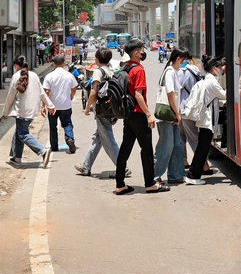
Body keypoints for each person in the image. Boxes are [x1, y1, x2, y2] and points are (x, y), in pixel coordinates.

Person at [114, 38, 170, 195]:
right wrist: (148, 114)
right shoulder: (138, 69)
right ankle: (150, 183)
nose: (144, 52)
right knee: (146, 149)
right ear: (136, 53)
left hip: (128, 114)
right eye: (142, 50)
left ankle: (120, 184)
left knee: (125, 148)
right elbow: (138, 95)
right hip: (138, 114)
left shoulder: (126, 68)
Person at [77, 47, 131, 178]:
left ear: (96, 59)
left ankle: (122, 167)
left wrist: (87, 107)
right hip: (110, 110)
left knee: (108, 141)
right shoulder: (111, 72)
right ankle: (86, 166)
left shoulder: (98, 72)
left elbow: (94, 92)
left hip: (102, 111)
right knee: (98, 139)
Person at [3, 56, 55, 168]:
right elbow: (41, 92)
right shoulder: (35, 76)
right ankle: (16, 158)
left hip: (21, 111)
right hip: (32, 110)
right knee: (19, 132)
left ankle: (42, 151)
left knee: (23, 134)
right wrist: (50, 105)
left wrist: (5, 112)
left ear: (16, 65)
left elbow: (10, 96)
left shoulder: (16, 76)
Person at [185, 55, 226, 185]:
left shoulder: (208, 79)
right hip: (207, 121)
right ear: (214, 68)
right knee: (202, 149)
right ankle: (193, 176)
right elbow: (224, 95)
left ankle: (194, 174)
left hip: (204, 120)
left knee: (202, 148)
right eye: (219, 67)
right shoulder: (212, 82)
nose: (220, 70)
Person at [153, 47, 187, 185]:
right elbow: (170, 94)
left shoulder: (174, 72)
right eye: (183, 60)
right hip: (167, 116)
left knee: (176, 146)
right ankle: (154, 176)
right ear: (178, 59)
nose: (184, 63)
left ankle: (176, 175)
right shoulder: (169, 73)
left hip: (172, 115)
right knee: (165, 148)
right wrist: (177, 114)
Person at [43, 54, 79, 153]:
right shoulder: (69, 75)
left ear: (54, 64)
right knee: (67, 124)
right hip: (65, 105)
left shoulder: (49, 76)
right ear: (63, 63)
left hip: (52, 106)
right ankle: (70, 139)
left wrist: (43, 105)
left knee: (53, 126)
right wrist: (71, 96)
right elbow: (74, 87)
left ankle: (54, 147)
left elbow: (46, 92)